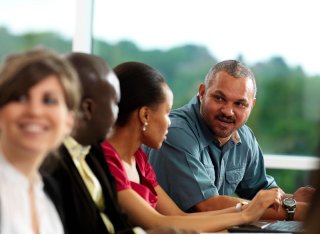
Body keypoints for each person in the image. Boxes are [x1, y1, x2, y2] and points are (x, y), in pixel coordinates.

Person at [101, 61, 283, 233]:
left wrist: (244, 210)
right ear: (145, 115)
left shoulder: (138, 159)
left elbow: (179, 217)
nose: (169, 122)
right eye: (166, 112)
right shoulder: (107, 160)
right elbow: (158, 223)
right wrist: (246, 213)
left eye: (239, 103)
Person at [40, 52, 196, 234]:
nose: (119, 114)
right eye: (115, 103)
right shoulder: (54, 165)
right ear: (88, 108)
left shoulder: (92, 155)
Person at [146, 59, 313, 220]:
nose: (228, 111)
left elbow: (263, 193)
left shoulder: (244, 136)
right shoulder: (175, 132)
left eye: (240, 104)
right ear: (202, 93)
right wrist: (294, 211)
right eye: (219, 98)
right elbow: (206, 205)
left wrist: (292, 199)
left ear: (251, 106)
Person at [0, 48, 80, 234]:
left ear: (69, 121)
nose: (34, 111)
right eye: (20, 98)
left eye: (49, 100)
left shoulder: (49, 190)